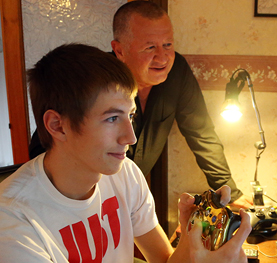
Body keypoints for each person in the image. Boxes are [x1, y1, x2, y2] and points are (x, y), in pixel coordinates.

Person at [0, 43, 250, 262]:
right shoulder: (12, 220)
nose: (130, 137)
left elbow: (164, 261)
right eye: (111, 118)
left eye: (129, 115)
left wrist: (190, 240)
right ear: (58, 125)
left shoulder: (125, 174)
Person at [29, 0, 253, 209]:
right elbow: (47, 146)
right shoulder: (95, 81)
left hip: (130, 197)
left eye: (167, 45)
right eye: (150, 48)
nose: (163, 57)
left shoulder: (177, 72)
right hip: (81, 198)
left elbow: (201, 133)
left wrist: (230, 191)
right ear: (119, 50)